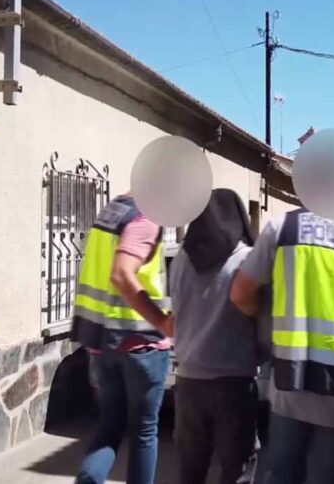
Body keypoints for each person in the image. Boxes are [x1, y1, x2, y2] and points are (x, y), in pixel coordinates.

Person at [230, 208, 334, 484]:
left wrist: (264, 320)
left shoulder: (283, 228)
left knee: (284, 475)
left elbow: (240, 293)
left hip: (292, 377)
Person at [71, 193, 174, 484]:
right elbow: (121, 274)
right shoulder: (146, 216)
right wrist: (162, 321)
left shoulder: (113, 209)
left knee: (110, 426)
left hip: (102, 343)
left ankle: (89, 479)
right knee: (144, 432)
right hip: (140, 345)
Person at [168, 189, 259, 484]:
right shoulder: (247, 260)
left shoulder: (181, 258)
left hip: (188, 381)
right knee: (237, 471)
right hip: (233, 382)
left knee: (190, 471)